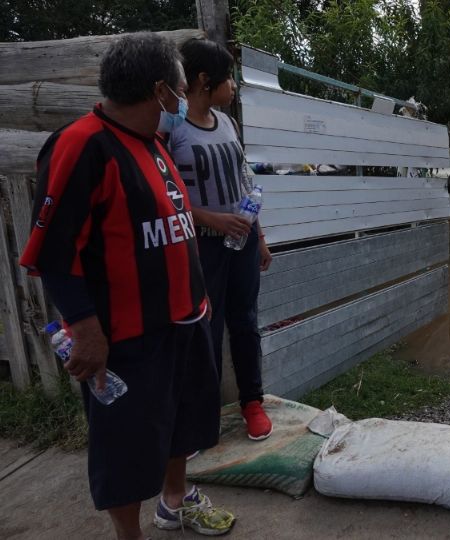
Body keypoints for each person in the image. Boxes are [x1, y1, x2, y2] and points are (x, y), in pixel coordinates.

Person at [19, 33, 235, 539]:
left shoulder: (154, 142)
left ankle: (175, 502)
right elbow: (54, 252)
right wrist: (87, 330)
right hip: (128, 337)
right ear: (160, 91)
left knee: (183, 425)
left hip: (185, 318)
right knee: (126, 447)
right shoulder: (81, 146)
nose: (185, 96)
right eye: (181, 86)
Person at [166, 38, 273, 441]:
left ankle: (252, 403)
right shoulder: (174, 131)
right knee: (204, 331)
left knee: (245, 323)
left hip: (242, 243)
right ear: (203, 80)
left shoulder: (226, 123)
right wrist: (214, 219)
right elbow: (166, 199)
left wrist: (258, 235)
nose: (233, 89)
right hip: (203, 247)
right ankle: (201, 418)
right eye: (228, 80)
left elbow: (246, 183)